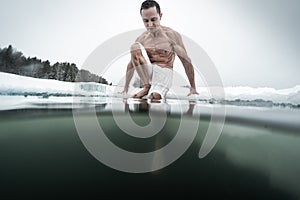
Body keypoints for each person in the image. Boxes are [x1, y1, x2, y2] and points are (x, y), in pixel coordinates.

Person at [120, 0, 198, 100]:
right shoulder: (142, 38)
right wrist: (126, 87)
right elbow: (132, 63)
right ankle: (146, 86)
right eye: (146, 21)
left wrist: (193, 88)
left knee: (154, 97)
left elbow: (186, 61)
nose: (150, 24)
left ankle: (153, 92)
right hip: (149, 73)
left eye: (153, 19)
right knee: (134, 47)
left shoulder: (171, 35)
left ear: (160, 16)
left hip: (165, 72)